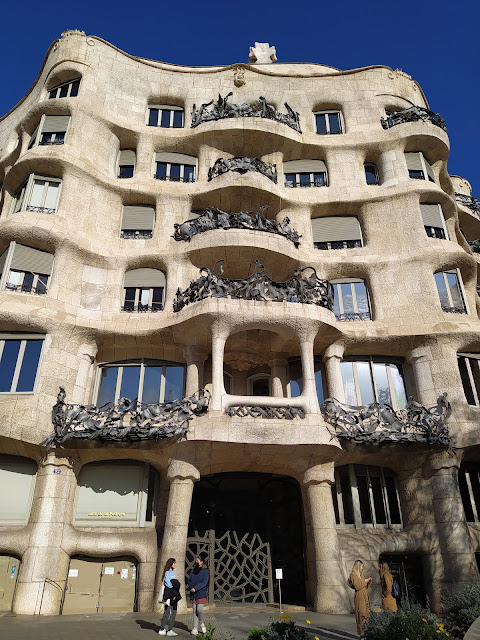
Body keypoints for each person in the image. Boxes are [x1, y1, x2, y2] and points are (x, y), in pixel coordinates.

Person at [349, 559, 372, 639]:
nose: (362, 568)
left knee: (366, 615)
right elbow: (358, 586)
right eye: (362, 566)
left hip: (364, 597)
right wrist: (365, 581)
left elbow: (363, 587)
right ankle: (362, 635)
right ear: (358, 566)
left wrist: (368, 582)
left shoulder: (361, 574)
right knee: (361, 616)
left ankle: (365, 634)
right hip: (359, 598)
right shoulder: (353, 574)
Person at [187, 554, 209, 635]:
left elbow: (204, 582)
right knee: (194, 611)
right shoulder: (193, 571)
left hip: (200, 593)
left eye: (197, 561)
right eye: (195, 561)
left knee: (199, 610)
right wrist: (191, 587)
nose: (196, 562)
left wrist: (196, 588)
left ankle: (201, 623)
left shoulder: (205, 571)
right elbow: (189, 580)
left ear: (201, 562)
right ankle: (195, 628)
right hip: (193, 594)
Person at [158, 558, 181, 636]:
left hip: (172, 595)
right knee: (168, 613)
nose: (175, 565)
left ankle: (166, 629)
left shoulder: (171, 572)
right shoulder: (168, 572)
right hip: (170, 595)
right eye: (174, 563)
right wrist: (174, 584)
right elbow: (168, 583)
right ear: (171, 564)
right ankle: (164, 629)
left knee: (171, 612)